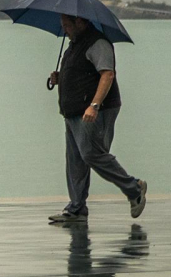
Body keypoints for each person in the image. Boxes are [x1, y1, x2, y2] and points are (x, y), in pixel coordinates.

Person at [47, 14, 147, 223]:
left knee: (92, 154)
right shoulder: (74, 44)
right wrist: (60, 77)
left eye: (67, 25)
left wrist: (94, 105)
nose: (64, 29)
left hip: (95, 110)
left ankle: (133, 188)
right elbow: (81, 72)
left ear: (80, 22)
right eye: (62, 25)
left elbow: (107, 74)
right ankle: (76, 209)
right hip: (73, 111)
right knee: (75, 161)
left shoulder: (98, 43)